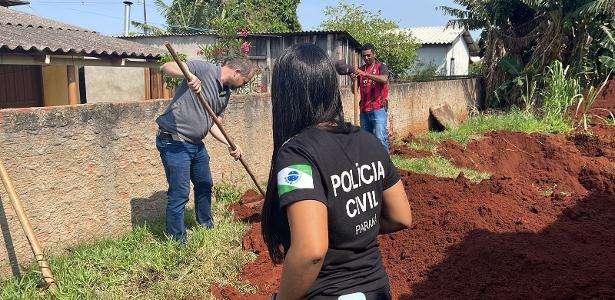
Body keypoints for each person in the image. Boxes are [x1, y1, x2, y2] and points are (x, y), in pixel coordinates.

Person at [261, 43, 412, 300]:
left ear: (285, 96)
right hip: (377, 290)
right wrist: (351, 229)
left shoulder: (296, 154)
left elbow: (310, 252)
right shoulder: (370, 142)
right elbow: (401, 217)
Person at [156, 58, 255, 243]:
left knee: (205, 184)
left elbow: (213, 125)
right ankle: (176, 240)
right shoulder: (204, 69)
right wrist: (190, 76)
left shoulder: (225, 95)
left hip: (195, 144)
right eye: (245, 81)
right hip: (174, 141)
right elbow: (165, 67)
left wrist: (230, 144)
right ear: (236, 73)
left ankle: (206, 224)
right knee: (180, 193)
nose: (243, 85)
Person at [351, 43, 391, 152]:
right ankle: (371, 163)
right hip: (364, 110)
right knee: (366, 139)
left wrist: (365, 74)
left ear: (374, 54)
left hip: (378, 108)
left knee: (380, 138)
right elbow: (354, 91)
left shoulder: (381, 66)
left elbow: (384, 79)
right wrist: (354, 81)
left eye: (368, 55)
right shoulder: (360, 69)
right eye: (364, 56)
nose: (366, 58)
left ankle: (385, 164)